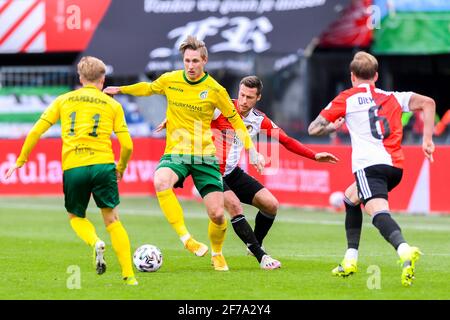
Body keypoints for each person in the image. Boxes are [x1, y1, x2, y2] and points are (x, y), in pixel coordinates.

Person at [103, 36, 264, 271]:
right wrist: (121, 89)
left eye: (195, 61)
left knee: (218, 215)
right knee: (160, 180)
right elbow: (148, 88)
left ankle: (217, 253)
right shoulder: (171, 79)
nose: (190, 65)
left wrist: (253, 150)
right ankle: (186, 239)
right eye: (187, 60)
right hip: (176, 152)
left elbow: (236, 122)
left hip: (205, 157)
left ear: (204, 61)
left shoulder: (214, 90)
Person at [157, 75, 339, 270]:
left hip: (232, 172)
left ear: (258, 97)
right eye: (242, 95)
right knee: (234, 206)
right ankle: (262, 256)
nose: (243, 101)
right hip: (210, 171)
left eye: (249, 97)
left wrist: (314, 156)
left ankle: (255, 244)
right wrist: (171, 119)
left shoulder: (259, 120)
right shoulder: (221, 108)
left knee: (271, 205)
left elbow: (286, 140)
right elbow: (193, 113)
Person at [5, 56, 137, 285]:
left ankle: (95, 241)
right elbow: (127, 145)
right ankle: (129, 276)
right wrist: (121, 168)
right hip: (103, 165)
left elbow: (36, 131)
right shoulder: (113, 105)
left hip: (74, 166)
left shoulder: (64, 100)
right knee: (113, 219)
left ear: (80, 77)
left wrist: (21, 160)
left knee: (76, 216)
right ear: (103, 78)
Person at [308, 51, 436, 286]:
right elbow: (428, 103)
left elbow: (313, 129)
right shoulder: (394, 97)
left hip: (370, 167)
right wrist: (427, 140)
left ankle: (404, 250)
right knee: (350, 199)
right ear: (376, 76)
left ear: (352, 77)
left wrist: (331, 128)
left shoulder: (346, 98)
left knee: (377, 213)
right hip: (395, 167)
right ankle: (350, 259)